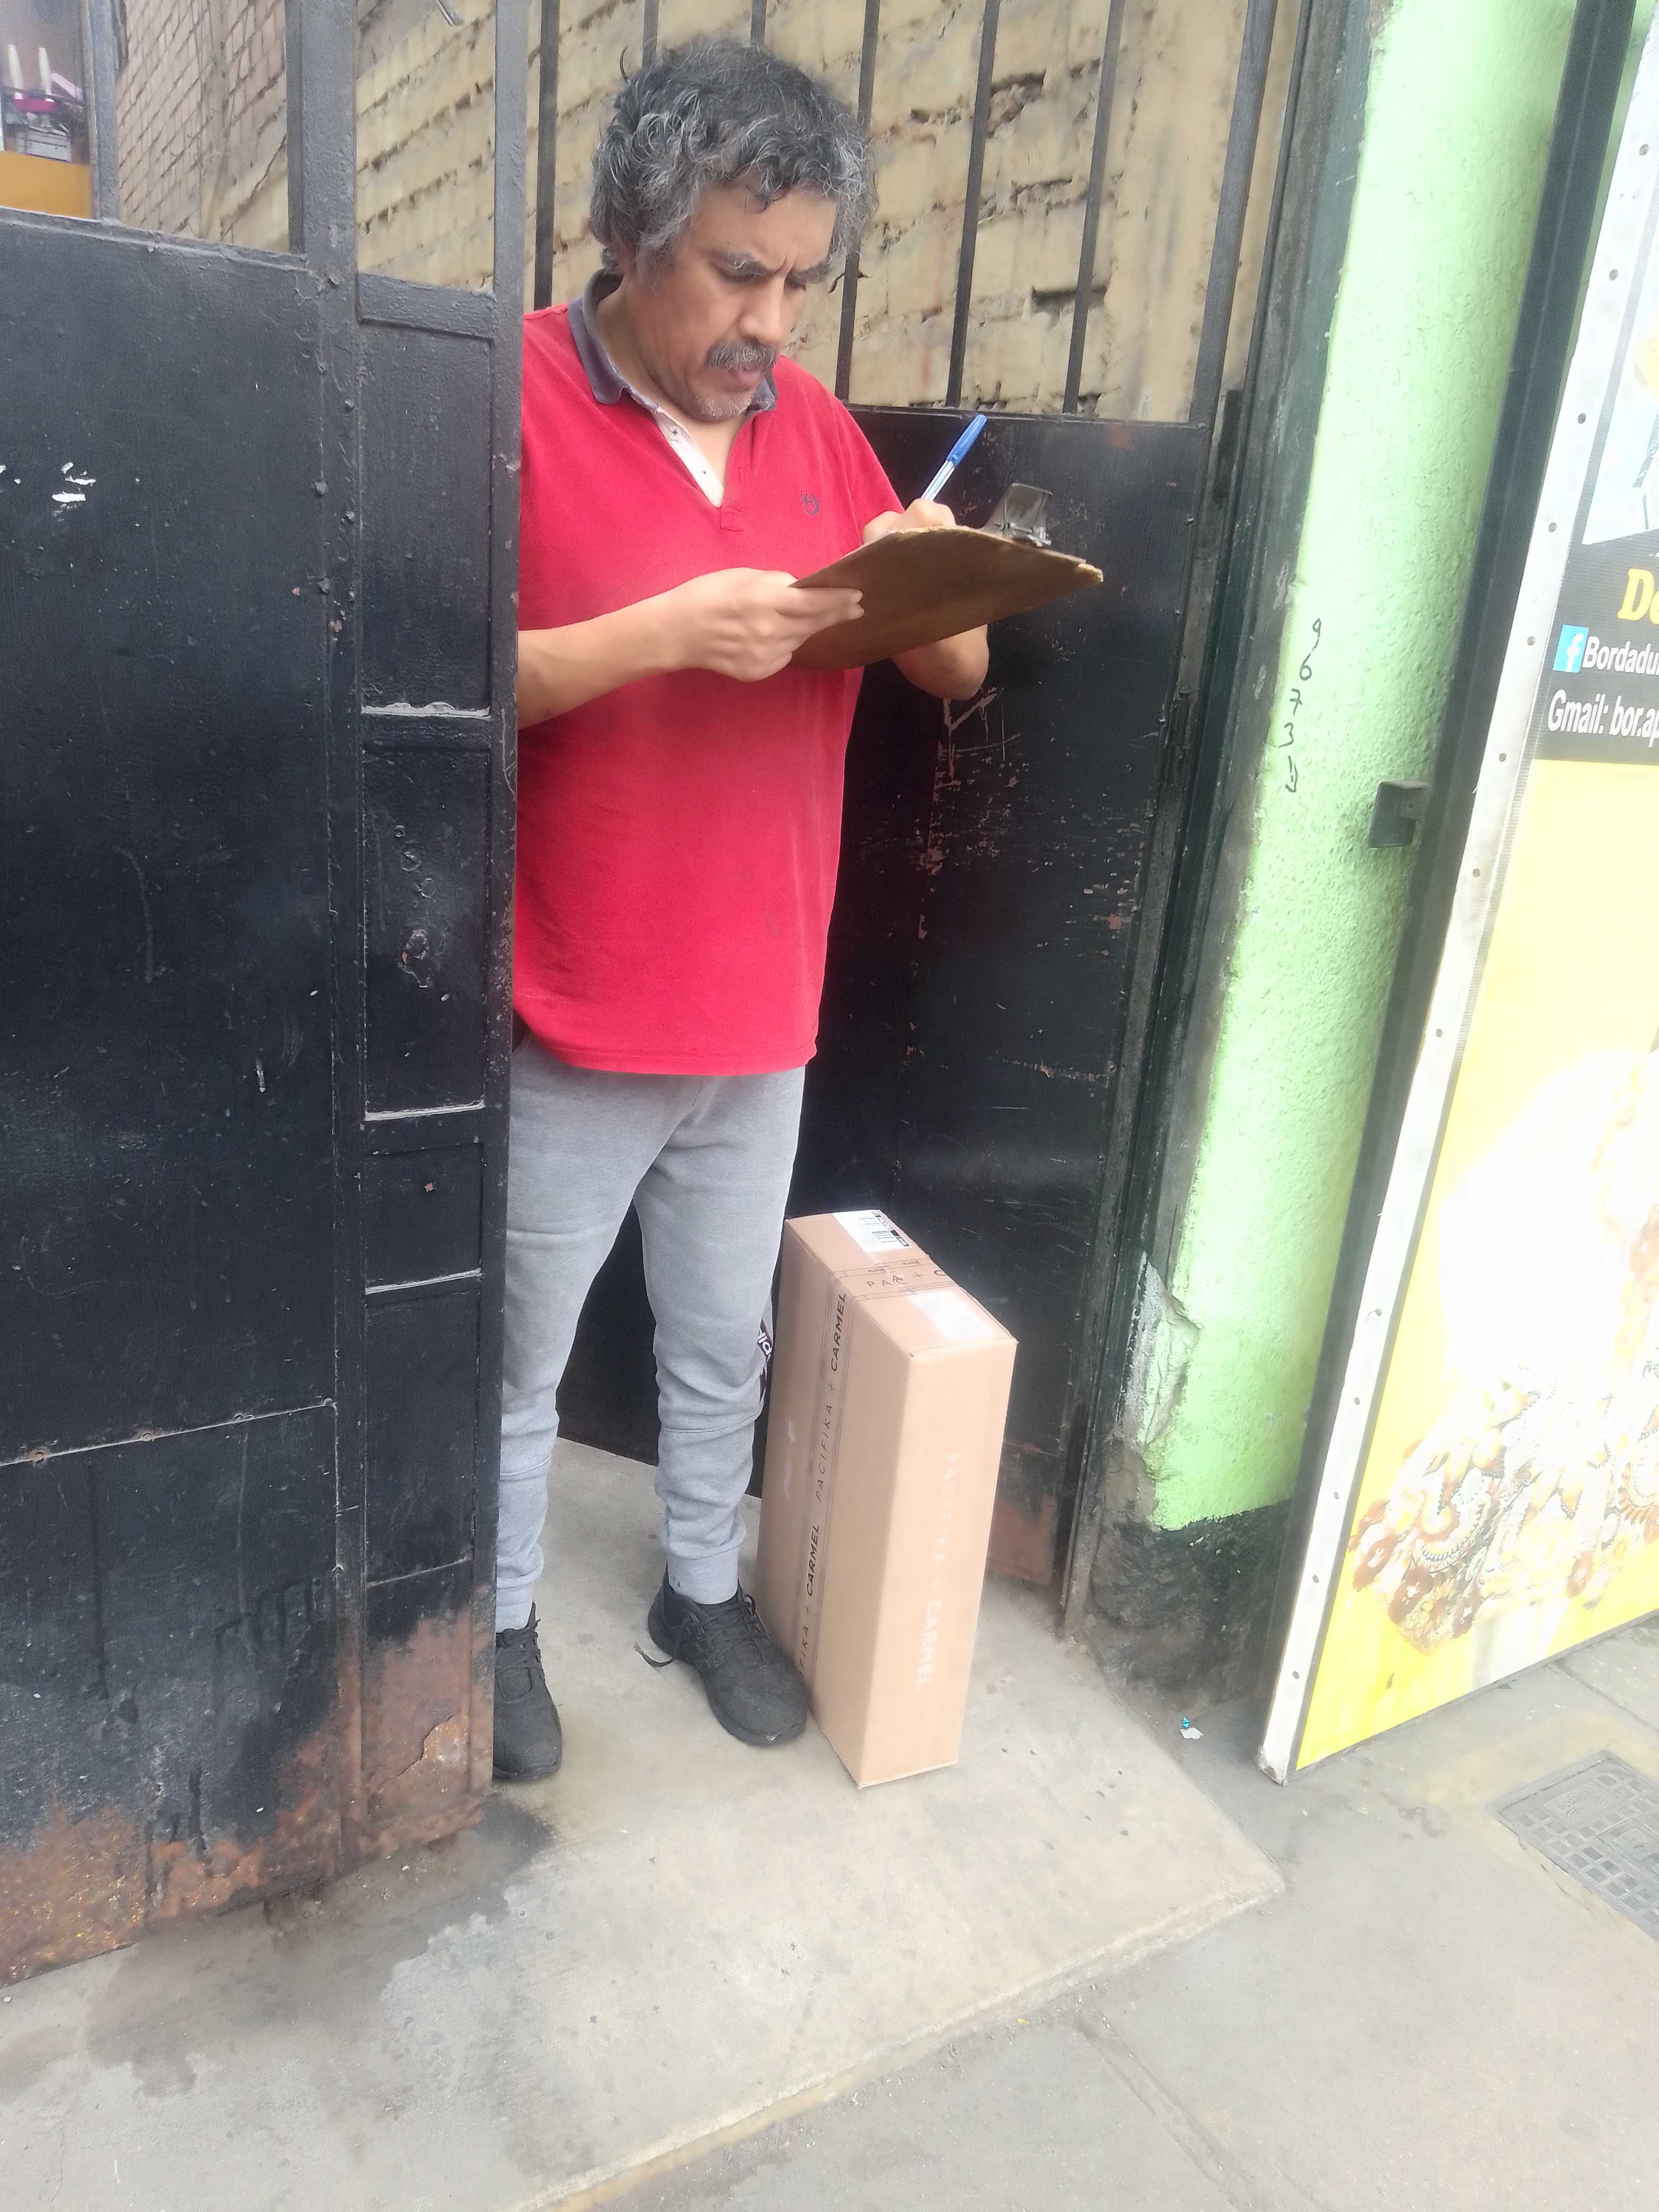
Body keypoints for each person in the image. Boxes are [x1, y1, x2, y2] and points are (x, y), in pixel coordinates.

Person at [494, 37, 988, 1781]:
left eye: (800, 282)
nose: (769, 321)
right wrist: (661, 634)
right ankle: (491, 1621)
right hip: (572, 1000)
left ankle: (697, 1589)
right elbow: (436, 678)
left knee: (724, 1343)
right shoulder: (508, 399)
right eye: (734, 272)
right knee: (514, 1360)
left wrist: (931, 578)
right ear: (629, 239)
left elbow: (955, 672)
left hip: (759, 1007)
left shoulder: (816, 428)